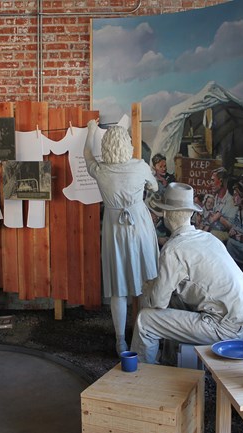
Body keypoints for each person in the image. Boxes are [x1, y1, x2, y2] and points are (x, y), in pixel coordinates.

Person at [131, 182, 243, 364]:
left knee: (146, 320)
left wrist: (148, 287)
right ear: (191, 213)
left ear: (166, 214)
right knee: (173, 300)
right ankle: (170, 361)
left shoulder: (173, 249)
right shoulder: (208, 238)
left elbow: (158, 301)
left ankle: (140, 377)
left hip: (225, 327)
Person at [84, 119, 160, 355]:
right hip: (139, 225)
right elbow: (155, 188)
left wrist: (90, 130)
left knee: (119, 286)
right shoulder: (140, 166)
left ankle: (120, 341)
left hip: (114, 228)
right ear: (126, 144)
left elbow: (87, 155)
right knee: (148, 280)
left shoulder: (101, 170)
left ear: (106, 146)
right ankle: (147, 334)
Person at [207, 167, 238, 242]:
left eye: (213, 180)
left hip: (222, 238)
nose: (210, 184)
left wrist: (219, 217)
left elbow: (233, 227)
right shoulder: (214, 198)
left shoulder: (231, 202)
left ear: (220, 182)